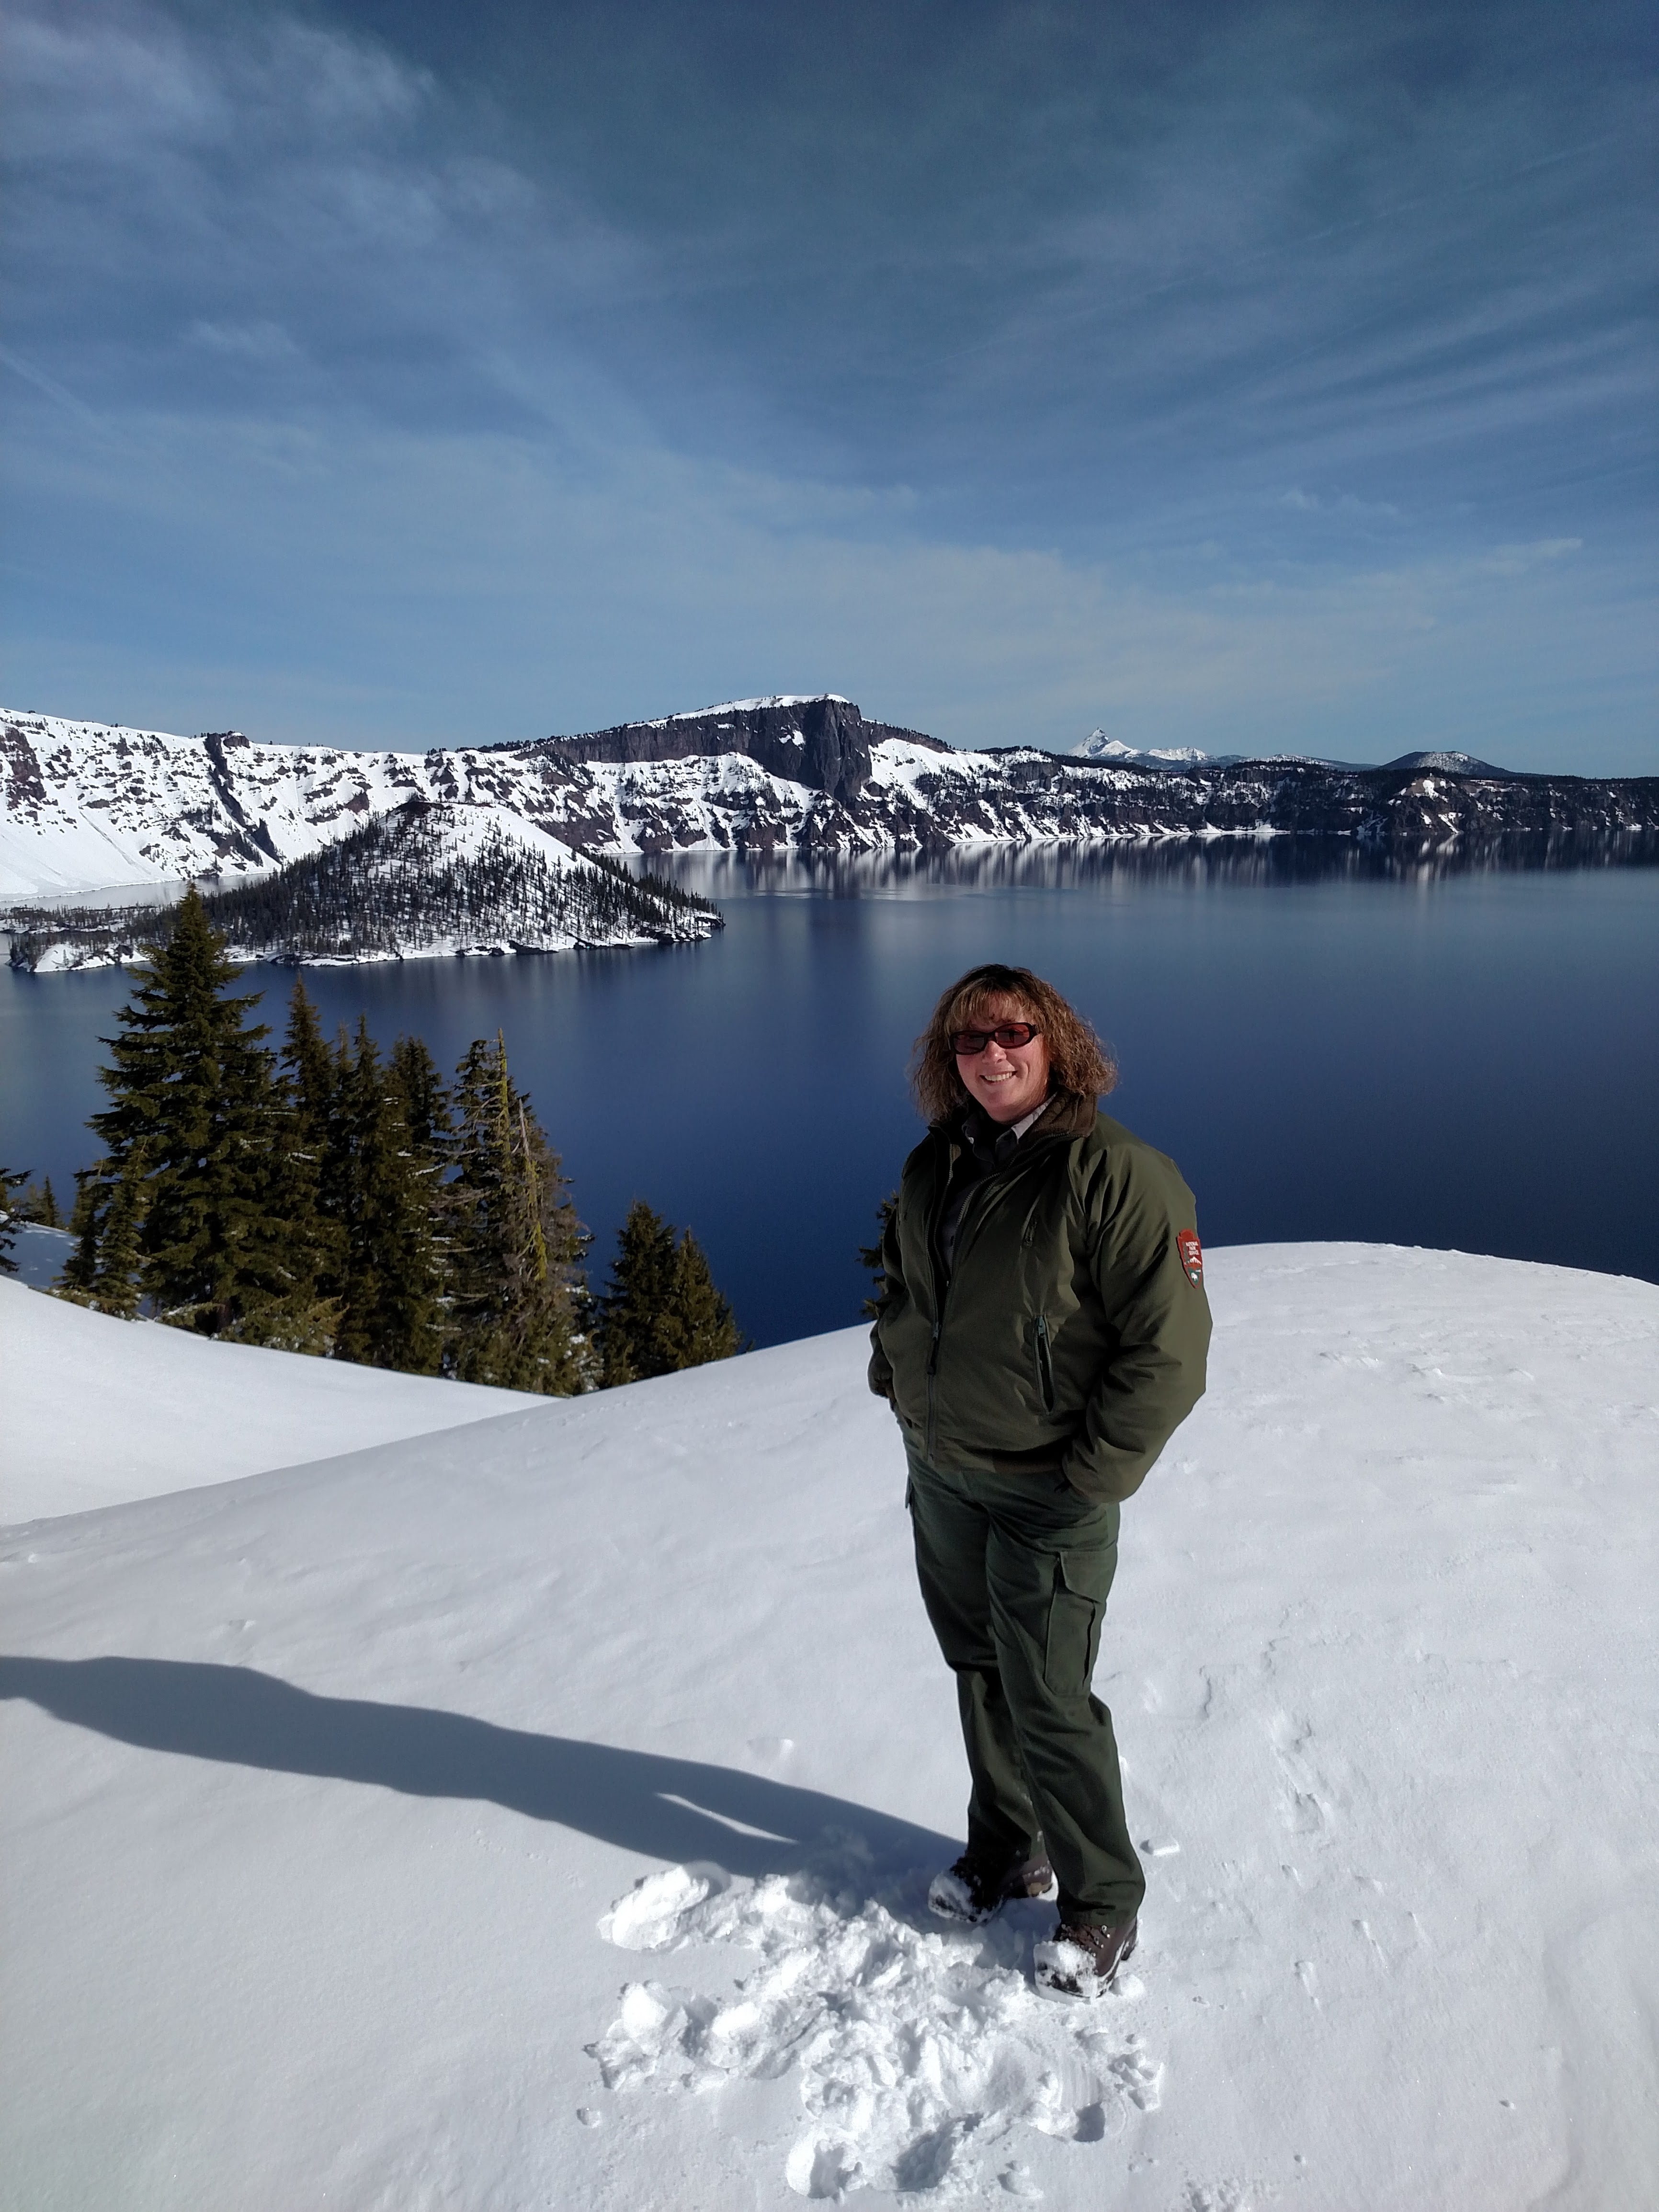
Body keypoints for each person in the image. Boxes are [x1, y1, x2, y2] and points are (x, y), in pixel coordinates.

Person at [868, 962, 1211, 1998]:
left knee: (1049, 1694)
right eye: (968, 1041)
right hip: (945, 1470)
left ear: (1053, 1039)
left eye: (1012, 1031)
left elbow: (1170, 1350)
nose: (991, 1055)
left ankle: (1102, 1900)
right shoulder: (939, 1164)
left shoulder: (1118, 1173)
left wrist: (1092, 1473)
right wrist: (896, 1379)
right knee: (979, 1668)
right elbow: (906, 1285)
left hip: (1048, 1488)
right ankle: (1006, 1847)